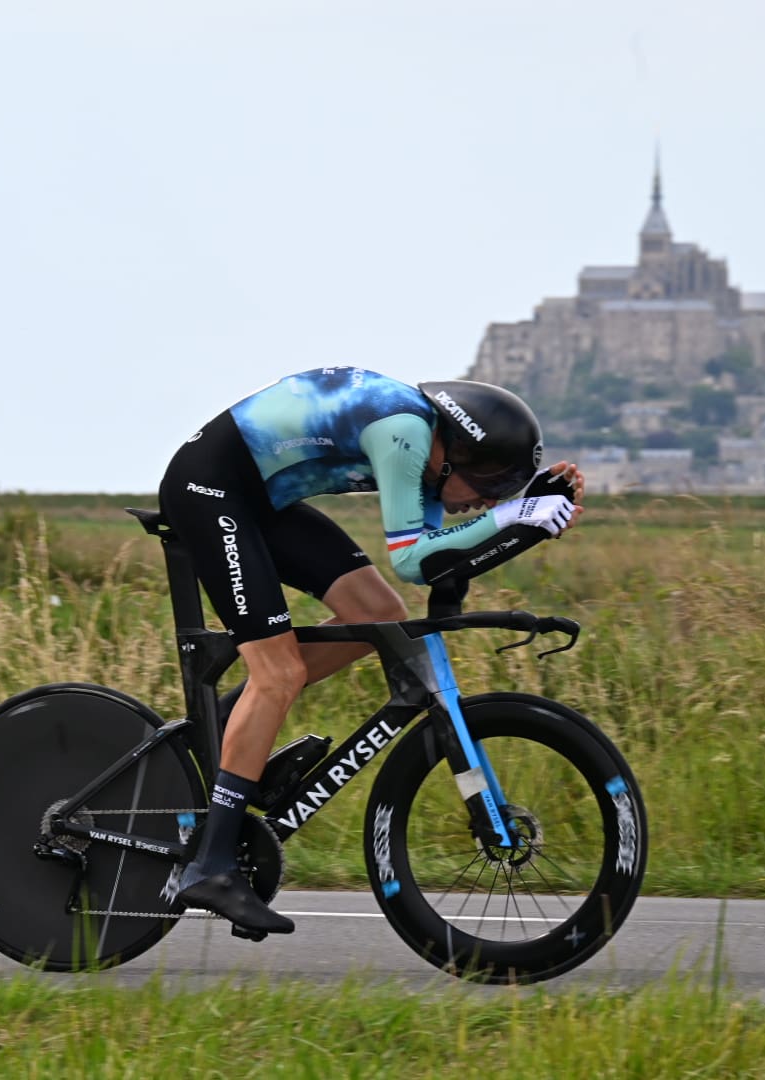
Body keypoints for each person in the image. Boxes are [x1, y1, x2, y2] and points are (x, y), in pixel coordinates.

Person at [157, 367, 585, 935]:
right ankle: (208, 866)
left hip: (259, 500)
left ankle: (228, 730)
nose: (486, 501)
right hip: (209, 490)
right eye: (490, 486)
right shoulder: (405, 431)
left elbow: (441, 567)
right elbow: (413, 559)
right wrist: (510, 519)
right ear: (454, 454)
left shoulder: (434, 458)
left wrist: (519, 523)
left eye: (503, 490)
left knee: (379, 616)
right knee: (278, 673)